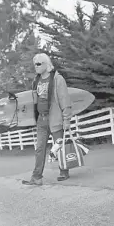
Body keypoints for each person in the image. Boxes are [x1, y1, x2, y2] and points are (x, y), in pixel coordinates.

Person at [22, 53, 72, 186]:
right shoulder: (36, 80)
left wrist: (67, 119)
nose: (36, 66)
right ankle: (36, 177)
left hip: (55, 118)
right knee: (39, 148)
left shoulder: (57, 79)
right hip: (41, 120)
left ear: (46, 64)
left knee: (58, 147)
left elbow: (64, 99)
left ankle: (64, 171)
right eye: (35, 64)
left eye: (38, 64)